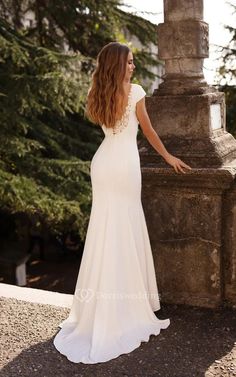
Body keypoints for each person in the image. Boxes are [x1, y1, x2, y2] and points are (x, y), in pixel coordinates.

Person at [53, 42, 192, 364]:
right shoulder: (136, 91)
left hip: (103, 163)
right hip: (125, 165)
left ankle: (100, 308)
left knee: (105, 231)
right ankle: (124, 309)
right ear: (118, 64)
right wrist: (169, 156)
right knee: (125, 228)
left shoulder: (97, 91)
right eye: (129, 62)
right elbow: (148, 130)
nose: (133, 66)